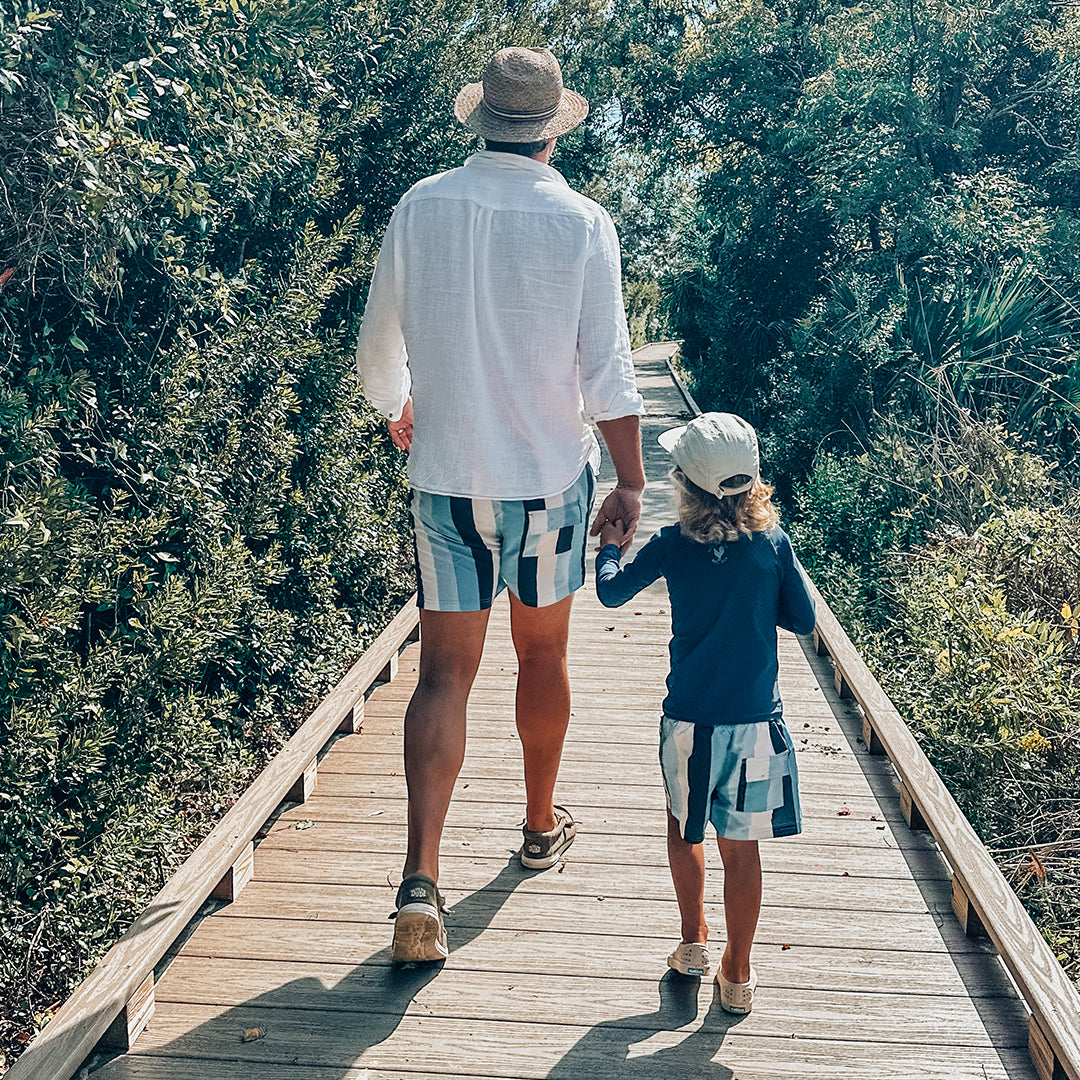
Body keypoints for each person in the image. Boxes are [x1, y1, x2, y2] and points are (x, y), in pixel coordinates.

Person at [355, 46, 645, 964]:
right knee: (542, 651)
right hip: (547, 480)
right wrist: (632, 481)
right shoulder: (583, 223)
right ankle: (539, 825)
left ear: (482, 121)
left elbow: (376, 348)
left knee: (443, 671)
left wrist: (397, 406)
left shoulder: (421, 205)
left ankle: (419, 880)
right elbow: (608, 371)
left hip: (445, 477)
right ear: (551, 133)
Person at [594, 412, 815, 1014]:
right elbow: (802, 619)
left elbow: (611, 592)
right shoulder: (772, 544)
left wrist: (610, 546)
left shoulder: (672, 544)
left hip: (690, 723)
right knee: (742, 850)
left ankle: (693, 941)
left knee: (683, 828)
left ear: (685, 484)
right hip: (756, 726)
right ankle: (737, 973)